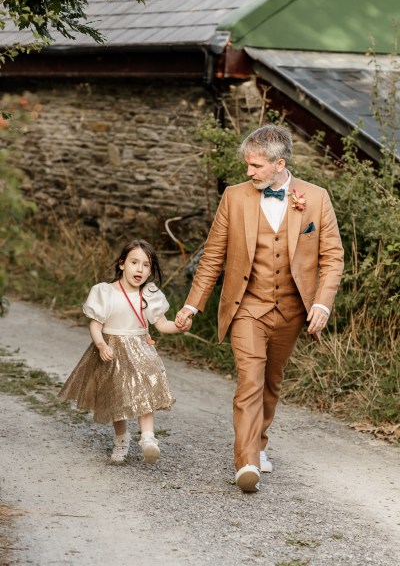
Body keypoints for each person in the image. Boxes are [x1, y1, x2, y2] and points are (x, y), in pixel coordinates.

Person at [175, 124, 344, 493]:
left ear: (278, 163)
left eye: (255, 166)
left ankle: (260, 443)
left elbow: (333, 257)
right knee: (249, 380)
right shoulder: (234, 198)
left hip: (292, 311)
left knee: (271, 382)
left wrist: (322, 303)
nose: (248, 172)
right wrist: (192, 305)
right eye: (247, 165)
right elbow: (213, 257)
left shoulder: (315, 198)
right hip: (247, 307)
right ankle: (247, 461)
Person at [58, 239, 191, 464]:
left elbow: (161, 324)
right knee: (116, 396)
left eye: (146, 265)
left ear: (151, 270)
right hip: (112, 348)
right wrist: (101, 345)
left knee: (145, 390)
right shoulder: (105, 292)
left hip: (140, 348)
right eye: (134, 262)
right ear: (122, 264)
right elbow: (95, 324)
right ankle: (121, 438)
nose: (139, 269)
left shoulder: (149, 293)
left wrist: (179, 326)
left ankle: (148, 439)